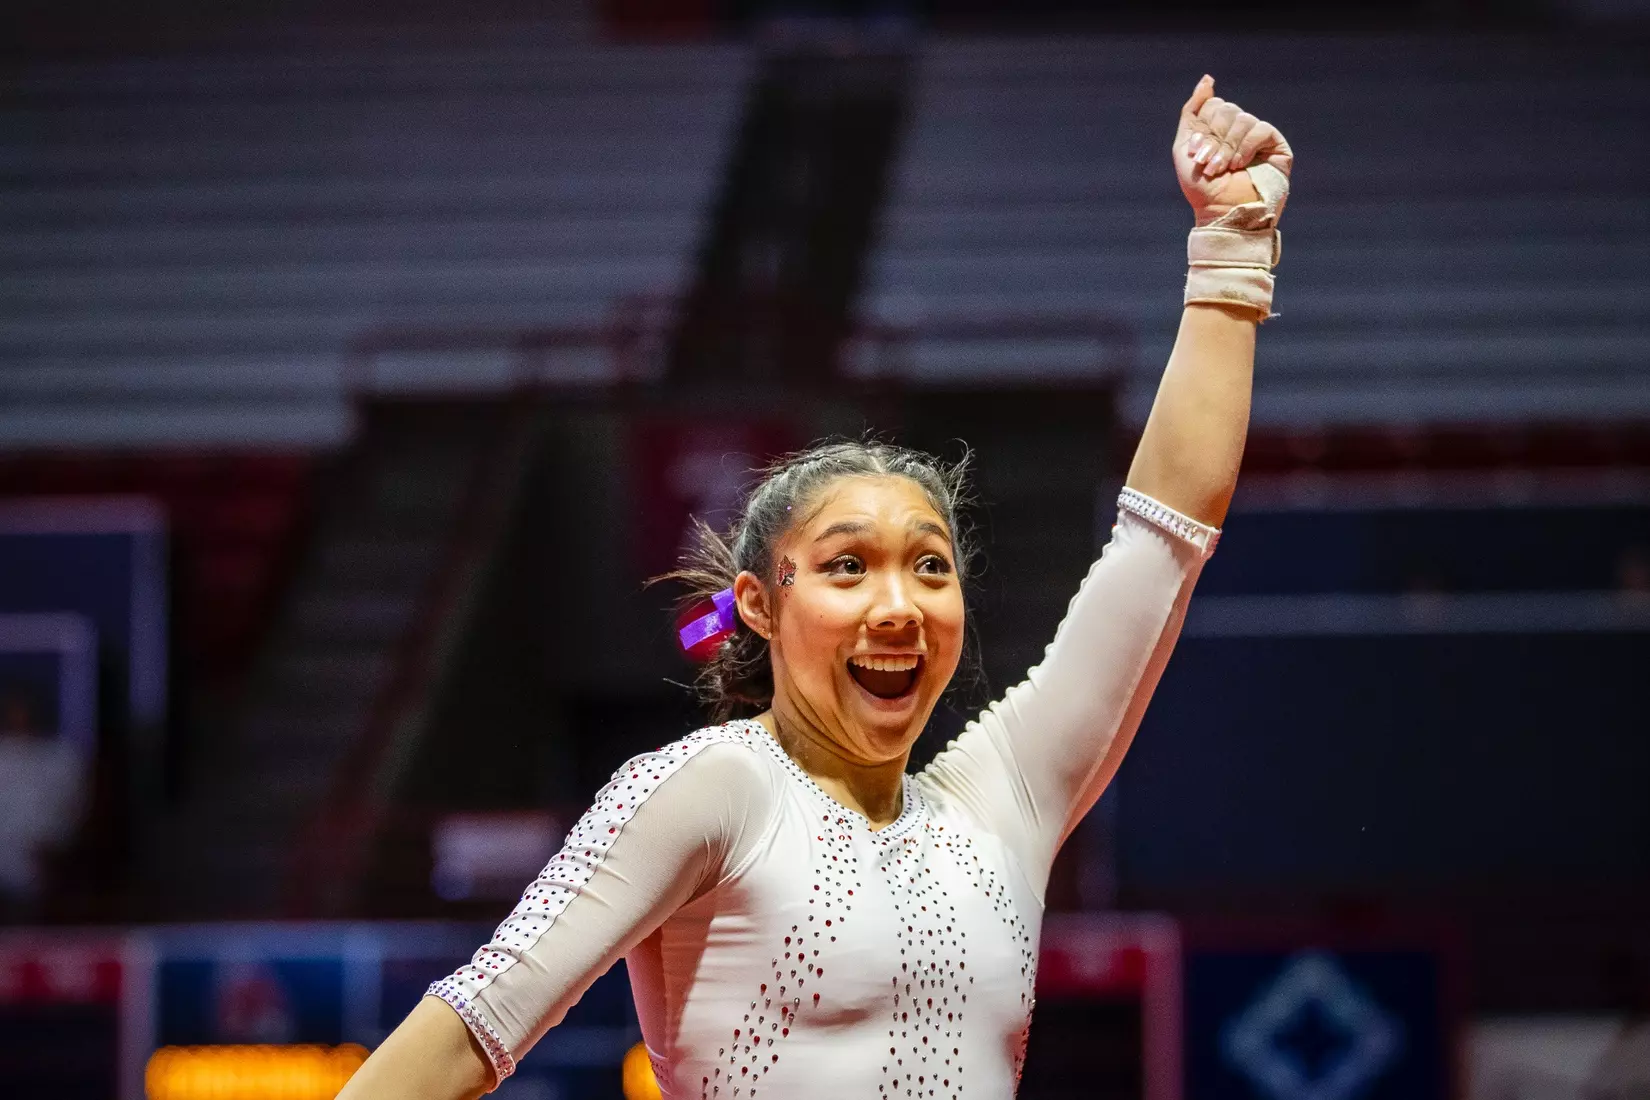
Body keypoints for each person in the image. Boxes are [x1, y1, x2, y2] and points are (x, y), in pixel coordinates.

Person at [338, 74, 1292, 1099]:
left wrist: (1230, 249)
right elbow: (468, 1028)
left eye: (930, 565)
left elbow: (1162, 538)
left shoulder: (1004, 798)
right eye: (849, 565)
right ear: (760, 603)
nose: (897, 602)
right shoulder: (708, 788)